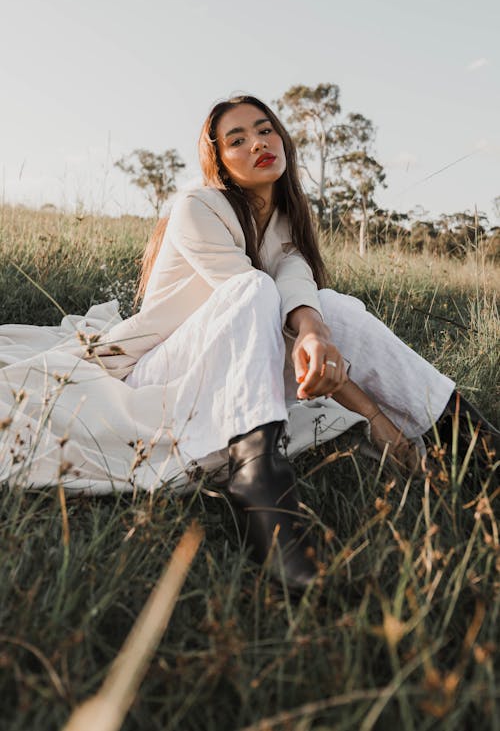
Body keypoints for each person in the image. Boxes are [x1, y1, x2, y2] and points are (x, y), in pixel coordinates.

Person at [0, 95, 497, 592]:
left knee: (334, 308)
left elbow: (300, 297)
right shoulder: (198, 207)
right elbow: (261, 309)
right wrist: (376, 419)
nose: (257, 142)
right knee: (254, 288)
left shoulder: (285, 221)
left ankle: (476, 452)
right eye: (237, 139)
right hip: (159, 375)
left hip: (231, 373)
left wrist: (317, 328)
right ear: (218, 159)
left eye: (265, 130)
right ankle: (262, 492)